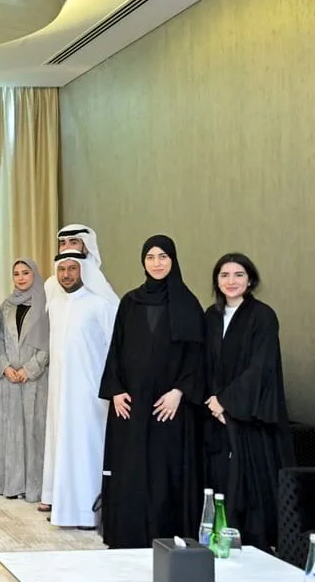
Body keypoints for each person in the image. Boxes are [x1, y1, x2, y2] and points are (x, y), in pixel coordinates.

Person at [99, 235, 204, 548]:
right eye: (150, 257)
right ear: (143, 262)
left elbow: (198, 357)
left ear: (173, 260)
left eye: (163, 256)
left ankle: (166, 536)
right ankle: (128, 536)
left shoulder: (188, 304)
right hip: (131, 404)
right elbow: (116, 349)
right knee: (131, 470)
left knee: (164, 472)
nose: (157, 263)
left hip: (169, 407)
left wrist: (179, 392)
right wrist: (116, 390)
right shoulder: (130, 302)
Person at [203, 253, 295, 551]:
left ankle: (254, 544)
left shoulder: (263, 316)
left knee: (249, 484)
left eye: (239, 274)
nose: (231, 281)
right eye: (224, 275)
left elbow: (261, 367)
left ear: (251, 280)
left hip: (249, 416)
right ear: (217, 281)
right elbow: (203, 363)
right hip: (214, 414)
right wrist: (212, 401)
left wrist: (226, 402)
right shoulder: (211, 316)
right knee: (219, 480)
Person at [41, 251, 118, 527]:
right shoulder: (55, 304)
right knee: (63, 448)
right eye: (62, 269)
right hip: (59, 392)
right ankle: (65, 509)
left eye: (72, 268)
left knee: (87, 450)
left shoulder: (101, 303)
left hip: (90, 393)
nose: (66, 275)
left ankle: (89, 512)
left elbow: (115, 349)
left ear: (84, 270)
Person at [0, 258, 50, 502]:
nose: (21, 278)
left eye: (25, 272)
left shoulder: (46, 304)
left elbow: (49, 342)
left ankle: (34, 487)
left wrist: (30, 368)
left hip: (34, 378)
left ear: (34, 274)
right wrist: (5, 367)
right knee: (11, 432)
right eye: (16, 273)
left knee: (34, 433)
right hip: (10, 379)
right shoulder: (6, 305)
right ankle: (12, 484)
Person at [45, 224, 105, 306]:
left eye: (73, 243)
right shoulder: (51, 284)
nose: (66, 248)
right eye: (63, 243)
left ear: (86, 247)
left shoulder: (100, 285)